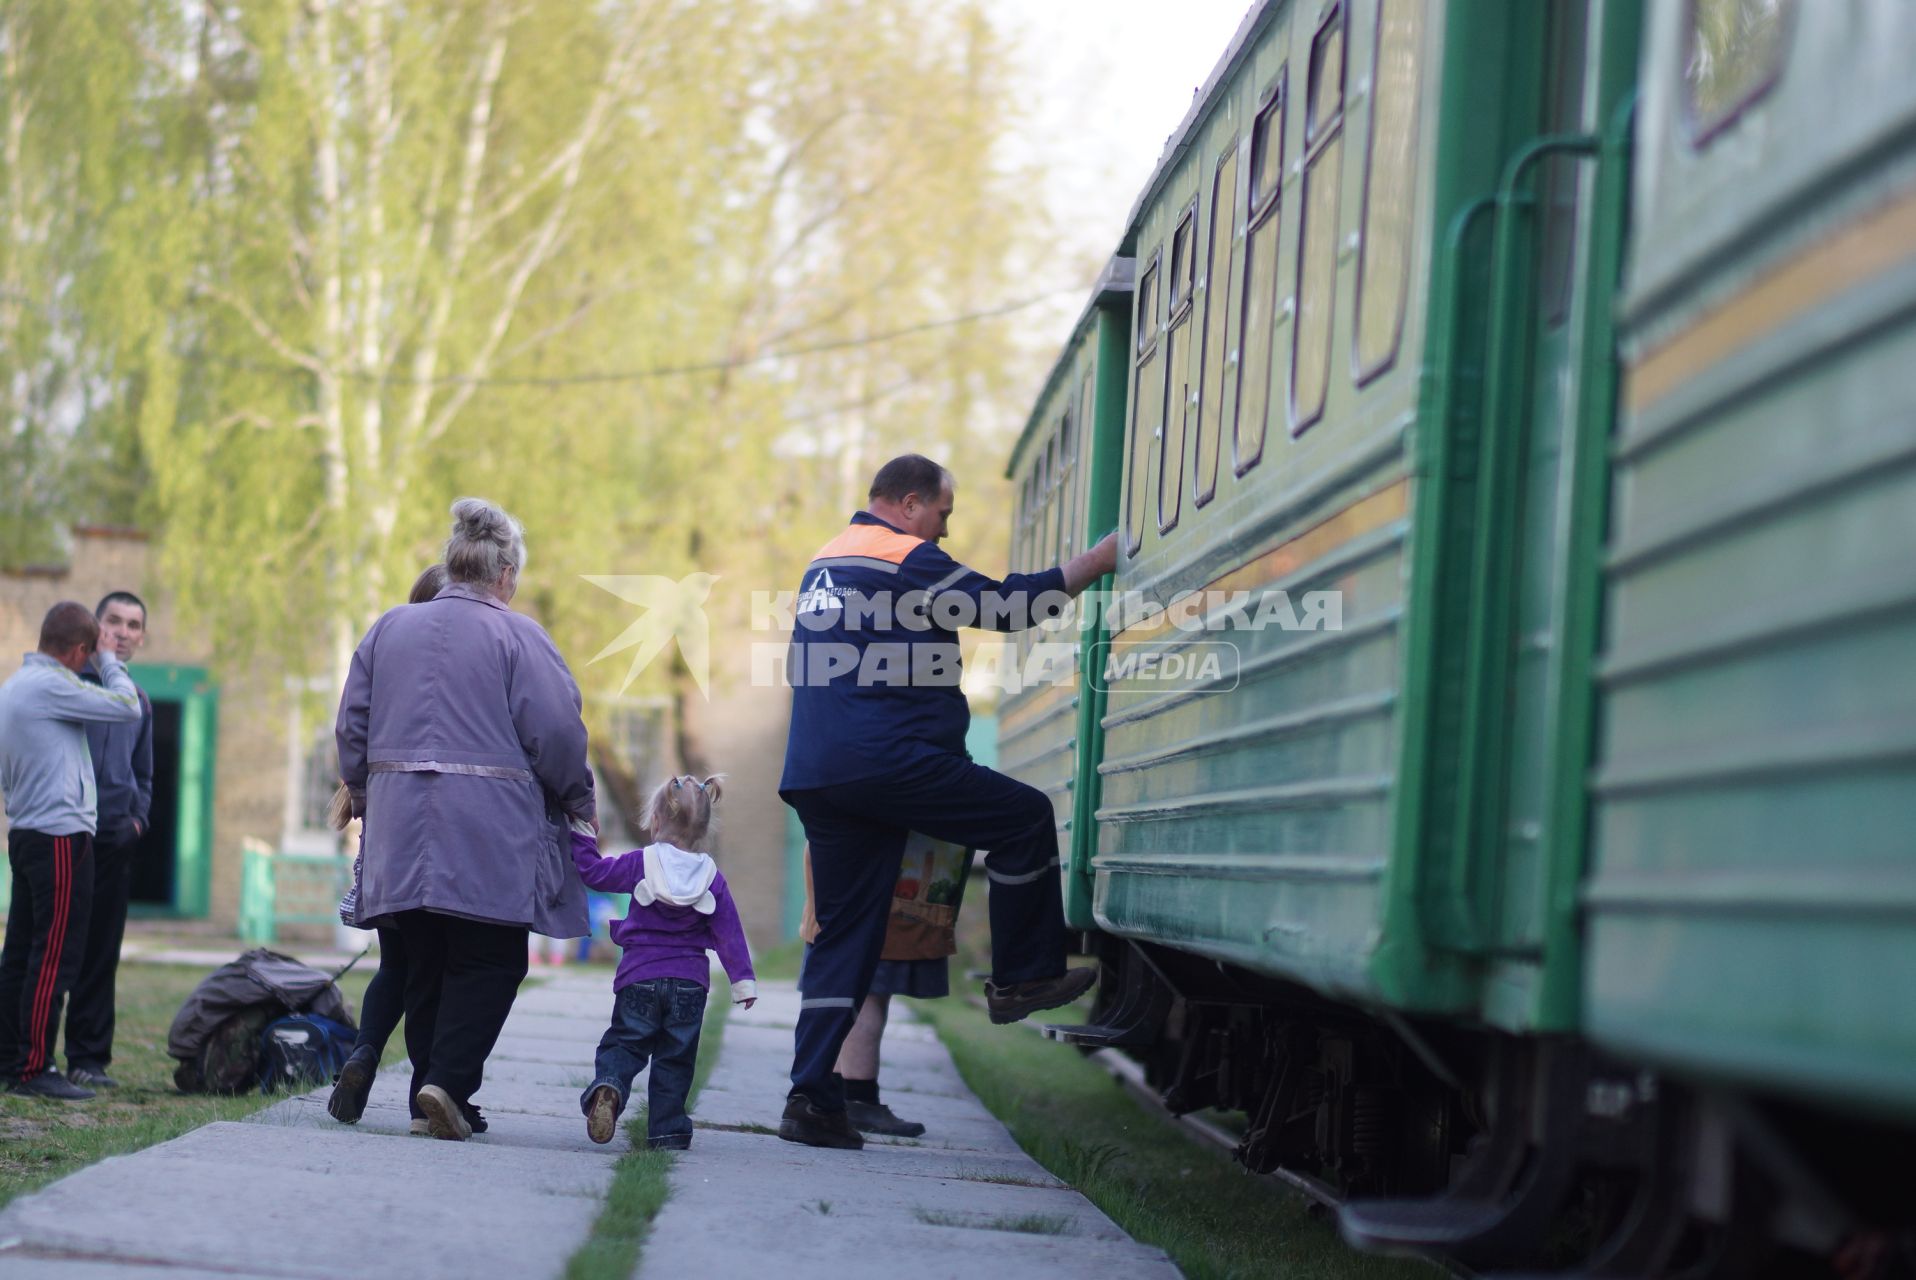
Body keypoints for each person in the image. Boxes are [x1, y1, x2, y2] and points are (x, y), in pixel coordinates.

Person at [777, 453, 1118, 1149]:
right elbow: (1009, 605)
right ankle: (1023, 979)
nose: (943, 531)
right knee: (1022, 817)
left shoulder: (825, 561)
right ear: (907, 504)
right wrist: (1100, 560)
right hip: (889, 764)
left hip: (820, 772)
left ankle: (812, 1101)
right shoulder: (904, 556)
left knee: (845, 940)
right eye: (943, 514)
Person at [335, 498, 594, 1141]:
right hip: (488, 827)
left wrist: (366, 794)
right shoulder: (518, 635)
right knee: (491, 959)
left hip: (399, 821)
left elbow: (352, 724)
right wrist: (577, 799)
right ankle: (446, 1084)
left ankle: (434, 1090)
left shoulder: (390, 627)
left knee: (421, 958)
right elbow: (557, 730)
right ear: (505, 574)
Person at [327, 564, 453, 1133]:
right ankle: (421, 1098)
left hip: (382, 832)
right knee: (430, 970)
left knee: (394, 963)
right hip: (427, 837)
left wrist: (357, 789)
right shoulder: (444, 673)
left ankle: (364, 1054)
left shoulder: (389, 658)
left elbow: (352, 726)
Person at [0, 602, 143, 1100]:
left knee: (19, 952)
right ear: (80, 650)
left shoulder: (14, 687)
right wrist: (110, 662)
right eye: (90, 653)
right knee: (53, 956)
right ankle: (34, 1067)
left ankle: (9, 1059)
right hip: (61, 837)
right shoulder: (54, 685)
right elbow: (128, 707)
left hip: (26, 832)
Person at [570, 774, 756, 1149]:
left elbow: (594, 873)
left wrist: (581, 832)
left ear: (655, 821)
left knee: (625, 1043)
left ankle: (610, 1086)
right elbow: (729, 933)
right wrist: (742, 982)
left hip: (639, 977)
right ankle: (667, 1131)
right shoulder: (712, 878)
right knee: (676, 1059)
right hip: (689, 985)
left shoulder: (642, 862)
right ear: (704, 831)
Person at [62, 592, 156, 1090]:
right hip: (68, 834)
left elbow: (145, 776)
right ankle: (29, 1057)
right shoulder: (69, 686)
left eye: (133, 625)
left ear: (141, 638)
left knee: (101, 952)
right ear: (96, 628)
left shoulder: (138, 702)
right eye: (113, 621)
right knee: (57, 948)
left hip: (116, 839)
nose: (122, 632)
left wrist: (137, 823)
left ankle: (89, 1059)